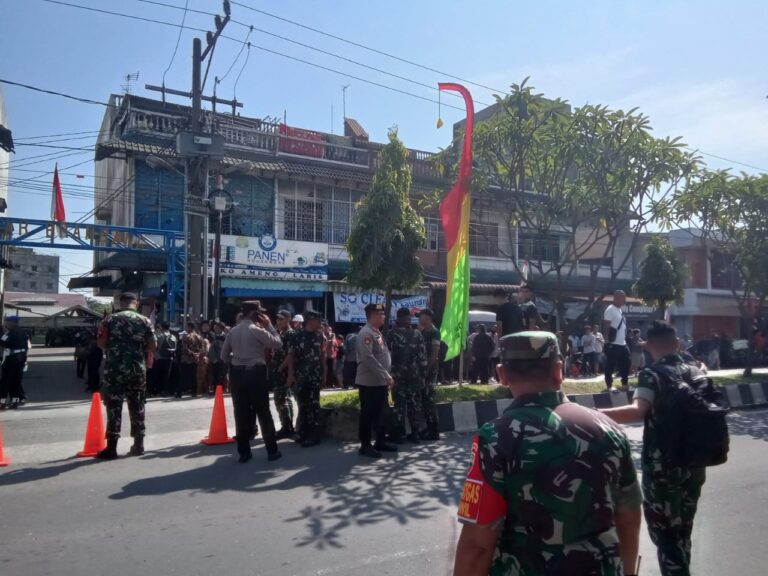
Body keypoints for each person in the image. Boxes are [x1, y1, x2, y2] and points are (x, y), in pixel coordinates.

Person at [453, 331, 643, 576]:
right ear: (559, 371)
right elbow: (629, 517)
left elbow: (479, 543)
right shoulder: (609, 429)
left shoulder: (495, 437)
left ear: (501, 374)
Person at [601, 321, 708, 576]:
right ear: (677, 343)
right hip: (694, 464)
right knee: (682, 530)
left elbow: (637, 410)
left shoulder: (652, 374)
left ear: (648, 347)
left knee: (666, 535)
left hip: (663, 469)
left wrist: (593, 414)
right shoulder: (696, 372)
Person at [220, 301, 282, 463]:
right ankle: (272, 451)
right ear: (254, 313)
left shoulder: (233, 331)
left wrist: (237, 359)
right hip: (255, 373)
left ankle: (244, 453)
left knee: (241, 413)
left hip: (237, 374)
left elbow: (224, 356)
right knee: (263, 412)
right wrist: (269, 326)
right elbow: (278, 343)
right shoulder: (256, 329)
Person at [96, 293, 156, 460]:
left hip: (114, 370)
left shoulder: (108, 320)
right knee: (138, 405)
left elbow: (100, 343)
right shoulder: (145, 321)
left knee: (113, 406)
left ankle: (112, 448)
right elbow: (152, 346)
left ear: (120, 303)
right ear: (136, 304)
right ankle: (139, 445)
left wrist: (115, 348)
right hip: (137, 369)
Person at [356, 303, 397, 458]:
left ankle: (380, 441)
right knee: (368, 414)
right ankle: (365, 446)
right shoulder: (366, 333)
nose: (384, 317)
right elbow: (368, 358)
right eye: (381, 314)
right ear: (373, 316)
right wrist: (385, 375)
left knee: (381, 413)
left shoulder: (376, 332)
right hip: (369, 383)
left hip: (379, 382)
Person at [386, 307, 426, 443]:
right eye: (409, 317)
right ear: (405, 318)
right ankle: (415, 434)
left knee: (398, 405)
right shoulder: (417, 334)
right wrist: (422, 375)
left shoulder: (391, 334)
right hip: (414, 376)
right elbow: (423, 357)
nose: (410, 319)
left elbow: (387, 357)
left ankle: (399, 435)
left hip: (397, 376)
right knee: (414, 405)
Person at [287, 310, 326, 447]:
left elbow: (322, 357)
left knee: (314, 405)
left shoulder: (319, 336)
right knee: (302, 405)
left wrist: (324, 374)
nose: (320, 323)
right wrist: (291, 375)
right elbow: (291, 356)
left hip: (315, 376)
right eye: (318, 320)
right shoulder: (296, 336)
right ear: (310, 320)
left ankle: (314, 435)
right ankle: (303, 432)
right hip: (300, 376)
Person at [271, 310, 296, 439]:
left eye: (281, 319)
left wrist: (282, 369)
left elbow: (290, 355)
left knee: (281, 399)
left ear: (288, 319)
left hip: (284, 372)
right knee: (284, 399)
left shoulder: (290, 334)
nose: (278, 321)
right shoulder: (281, 333)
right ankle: (288, 426)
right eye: (278, 319)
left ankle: (287, 427)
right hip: (280, 371)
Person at [418, 308, 441, 440]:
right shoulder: (421, 332)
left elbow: (434, 354)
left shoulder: (434, 332)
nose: (420, 319)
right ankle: (426, 428)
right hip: (421, 370)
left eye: (422, 317)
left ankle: (434, 430)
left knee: (429, 399)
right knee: (423, 399)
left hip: (430, 371)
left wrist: (427, 370)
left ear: (428, 318)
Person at [603, 290, 631, 391]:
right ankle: (609, 385)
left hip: (622, 344)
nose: (625, 300)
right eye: (622, 297)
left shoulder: (619, 310)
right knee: (610, 365)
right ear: (616, 298)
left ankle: (624, 384)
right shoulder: (610, 310)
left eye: (625, 297)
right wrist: (607, 343)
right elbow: (606, 327)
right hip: (613, 344)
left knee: (626, 363)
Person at [0, 316, 30, 409]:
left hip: (11, 359)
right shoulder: (23, 333)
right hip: (21, 359)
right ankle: (15, 402)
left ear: (12, 322)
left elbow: (1, 343)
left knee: (5, 381)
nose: (6, 324)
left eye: (7, 322)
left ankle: (2, 402)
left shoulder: (9, 333)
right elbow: (27, 347)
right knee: (16, 381)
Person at [179, 322, 205, 398]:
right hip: (195, 359)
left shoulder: (185, 336)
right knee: (193, 376)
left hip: (186, 358)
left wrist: (192, 353)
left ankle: (179, 392)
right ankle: (194, 392)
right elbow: (202, 348)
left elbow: (185, 348)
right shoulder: (199, 337)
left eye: (187, 327)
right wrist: (197, 354)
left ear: (189, 327)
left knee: (183, 376)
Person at [151, 322, 176, 396]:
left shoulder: (158, 335)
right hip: (169, 358)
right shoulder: (173, 336)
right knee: (166, 375)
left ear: (161, 327)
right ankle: (164, 390)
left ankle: (154, 391)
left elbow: (154, 345)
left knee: (156, 374)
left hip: (159, 357)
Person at [207, 322, 227, 395]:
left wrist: (219, 358)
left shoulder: (225, 336)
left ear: (221, 329)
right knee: (214, 374)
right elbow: (211, 348)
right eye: (215, 327)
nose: (216, 329)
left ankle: (220, 390)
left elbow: (224, 348)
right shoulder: (213, 336)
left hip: (222, 359)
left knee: (221, 375)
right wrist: (212, 358)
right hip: (214, 359)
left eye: (218, 328)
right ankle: (215, 390)